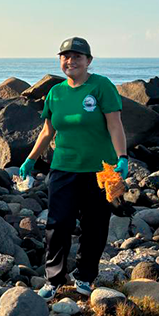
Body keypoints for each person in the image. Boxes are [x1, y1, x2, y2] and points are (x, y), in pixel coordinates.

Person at [20, 37, 128, 300]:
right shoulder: (56, 92)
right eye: (66, 57)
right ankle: (54, 279)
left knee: (95, 225)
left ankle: (85, 276)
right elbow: (47, 131)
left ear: (88, 61)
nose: (71, 61)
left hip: (99, 171)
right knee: (58, 224)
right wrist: (30, 159)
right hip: (63, 168)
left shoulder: (101, 86)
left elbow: (115, 125)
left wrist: (122, 157)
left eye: (77, 56)